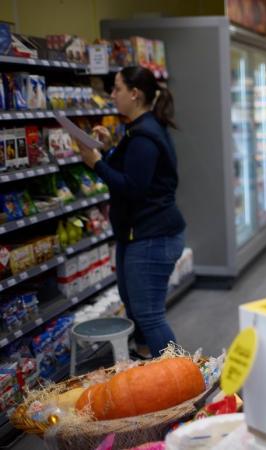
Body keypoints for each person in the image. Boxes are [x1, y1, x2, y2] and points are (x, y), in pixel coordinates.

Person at [77, 66, 186, 358]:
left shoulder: (144, 135)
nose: (112, 95)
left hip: (152, 235)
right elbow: (134, 171)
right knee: (137, 309)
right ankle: (147, 363)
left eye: (117, 88)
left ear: (134, 94)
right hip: (137, 234)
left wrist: (96, 163)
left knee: (149, 314)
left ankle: (183, 376)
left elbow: (133, 187)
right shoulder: (139, 129)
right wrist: (110, 148)